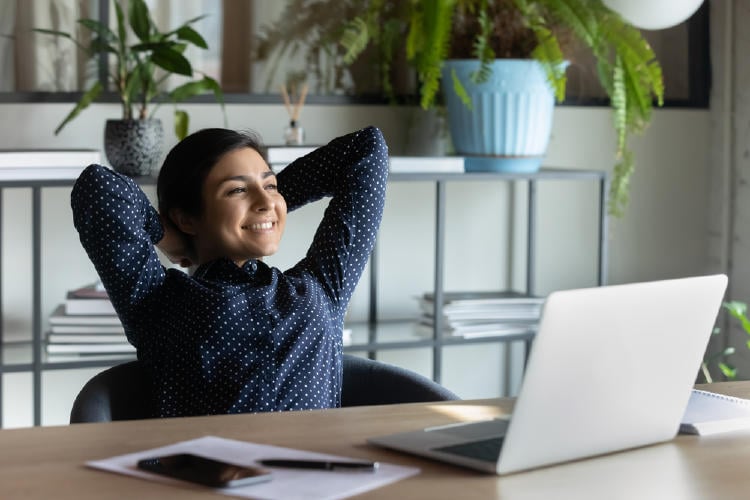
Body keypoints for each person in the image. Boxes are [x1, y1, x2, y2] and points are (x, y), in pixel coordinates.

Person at [71, 126, 389, 418]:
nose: (265, 198)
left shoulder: (323, 285)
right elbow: (99, 188)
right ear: (186, 218)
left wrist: (269, 207)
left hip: (324, 475)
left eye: (271, 184)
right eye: (236, 190)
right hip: (204, 479)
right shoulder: (156, 300)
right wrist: (167, 234)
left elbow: (367, 149)